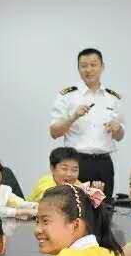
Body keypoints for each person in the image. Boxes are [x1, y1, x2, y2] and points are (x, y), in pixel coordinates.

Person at [48, 48, 124, 195]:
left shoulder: (113, 98)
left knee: (104, 206)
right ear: (78, 69)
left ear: (102, 67)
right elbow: (54, 132)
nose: (88, 70)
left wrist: (117, 128)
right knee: (75, 206)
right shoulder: (67, 96)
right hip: (75, 164)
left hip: (104, 163)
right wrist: (73, 117)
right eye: (83, 66)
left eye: (93, 65)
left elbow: (119, 136)